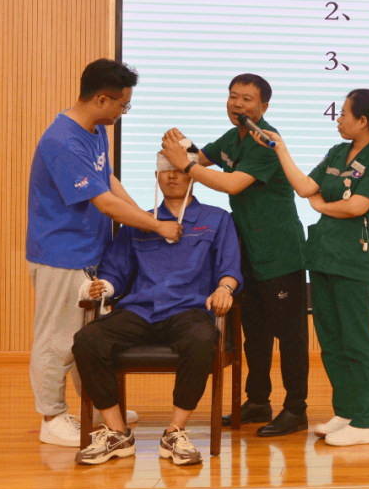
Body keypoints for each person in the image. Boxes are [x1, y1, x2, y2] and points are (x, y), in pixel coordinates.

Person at [26, 60, 182, 447]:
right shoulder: (62, 142)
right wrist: (156, 226)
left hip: (91, 252)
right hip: (61, 255)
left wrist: (143, 216)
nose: (123, 112)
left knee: (87, 337)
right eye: (122, 105)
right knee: (57, 338)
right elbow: (105, 203)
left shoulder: (94, 131)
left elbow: (107, 180)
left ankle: (97, 405)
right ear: (101, 99)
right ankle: (52, 418)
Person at [161, 74, 308, 437]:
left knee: (290, 336)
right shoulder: (232, 137)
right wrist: (181, 145)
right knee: (254, 333)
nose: (237, 104)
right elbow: (200, 158)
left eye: (246, 99)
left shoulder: (266, 141)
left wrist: (186, 164)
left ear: (263, 107)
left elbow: (231, 183)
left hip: (279, 253)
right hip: (247, 252)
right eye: (233, 97)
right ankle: (258, 401)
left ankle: (296, 409)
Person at [72, 155, 242, 465]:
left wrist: (224, 288)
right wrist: (103, 287)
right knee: (86, 340)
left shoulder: (217, 218)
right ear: (156, 176)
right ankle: (117, 433)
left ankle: (175, 433)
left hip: (189, 310)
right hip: (141, 311)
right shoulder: (139, 221)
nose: (172, 176)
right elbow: (115, 271)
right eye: (165, 171)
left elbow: (229, 268)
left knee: (202, 340)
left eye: (179, 170)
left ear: (193, 175)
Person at [254, 89, 369, 447]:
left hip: (353, 260)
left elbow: (357, 207)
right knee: (331, 341)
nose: (338, 118)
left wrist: (321, 206)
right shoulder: (337, 152)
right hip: (322, 256)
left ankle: (367, 422)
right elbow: (305, 187)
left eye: (344, 113)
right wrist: (280, 148)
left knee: (358, 341)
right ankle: (346, 412)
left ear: (362, 121)